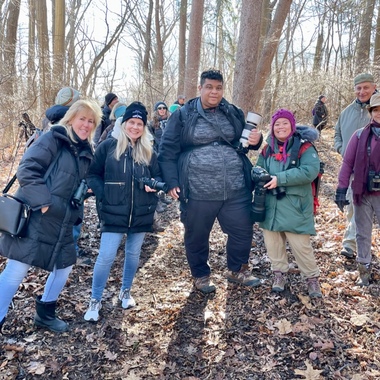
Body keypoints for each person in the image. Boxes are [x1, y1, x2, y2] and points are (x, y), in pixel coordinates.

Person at [0, 99, 102, 332]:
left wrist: (82, 195)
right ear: (71, 119)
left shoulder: (86, 151)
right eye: (82, 119)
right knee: (16, 271)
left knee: (64, 266)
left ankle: (45, 313)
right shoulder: (53, 139)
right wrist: (44, 203)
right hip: (35, 217)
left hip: (62, 220)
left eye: (91, 121)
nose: (86, 125)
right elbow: (27, 170)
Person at [158, 69, 263, 294]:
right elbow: (167, 150)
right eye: (209, 87)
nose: (214, 92)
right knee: (196, 234)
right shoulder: (184, 115)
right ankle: (201, 275)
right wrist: (171, 182)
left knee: (242, 230)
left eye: (218, 88)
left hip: (235, 187)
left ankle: (237, 270)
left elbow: (244, 142)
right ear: (200, 88)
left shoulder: (233, 112)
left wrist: (257, 140)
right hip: (198, 188)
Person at [84, 101, 162, 322]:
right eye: (132, 122)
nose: (135, 127)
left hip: (141, 213)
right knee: (106, 256)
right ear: (124, 123)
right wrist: (104, 194)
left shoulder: (149, 150)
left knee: (133, 255)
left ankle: (125, 291)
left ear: (144, 127)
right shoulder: (108, 146)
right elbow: (92, 175)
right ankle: (95, 299)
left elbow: (159, 177)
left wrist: (153, 184)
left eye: (140, 124)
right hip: (112, 212)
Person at [255, 109, 322, 298]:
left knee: (301, 246)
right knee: (273, 243)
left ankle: (312, 279)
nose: (281, 127)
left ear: (292, 125)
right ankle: (279, 275)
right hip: (270, 206)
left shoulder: (305, 147)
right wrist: (259, 175)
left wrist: (279, 179)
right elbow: (259, 167)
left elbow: (310, 171)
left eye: (285, 123)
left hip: (295, 206)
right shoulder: (268, 148)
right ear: (272, 127)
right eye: (277, 124)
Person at [335, 93, 380, 286]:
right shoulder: (360, 134)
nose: (379, 113)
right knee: (362, 232)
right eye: (376, 110)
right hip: (362, 191)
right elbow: (347, 163)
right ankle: (364, 271)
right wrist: (341, 188)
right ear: (371, 112)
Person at [148, 101, 172, 213]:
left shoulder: (172, 121)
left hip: (169, 152)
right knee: (157, 175)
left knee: (166, 174)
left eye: (164, 108)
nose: (162, 110)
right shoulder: (153, 124)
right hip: (157, 152)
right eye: (159, 108)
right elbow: (151, 138)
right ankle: (158, 200)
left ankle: (163, 197)